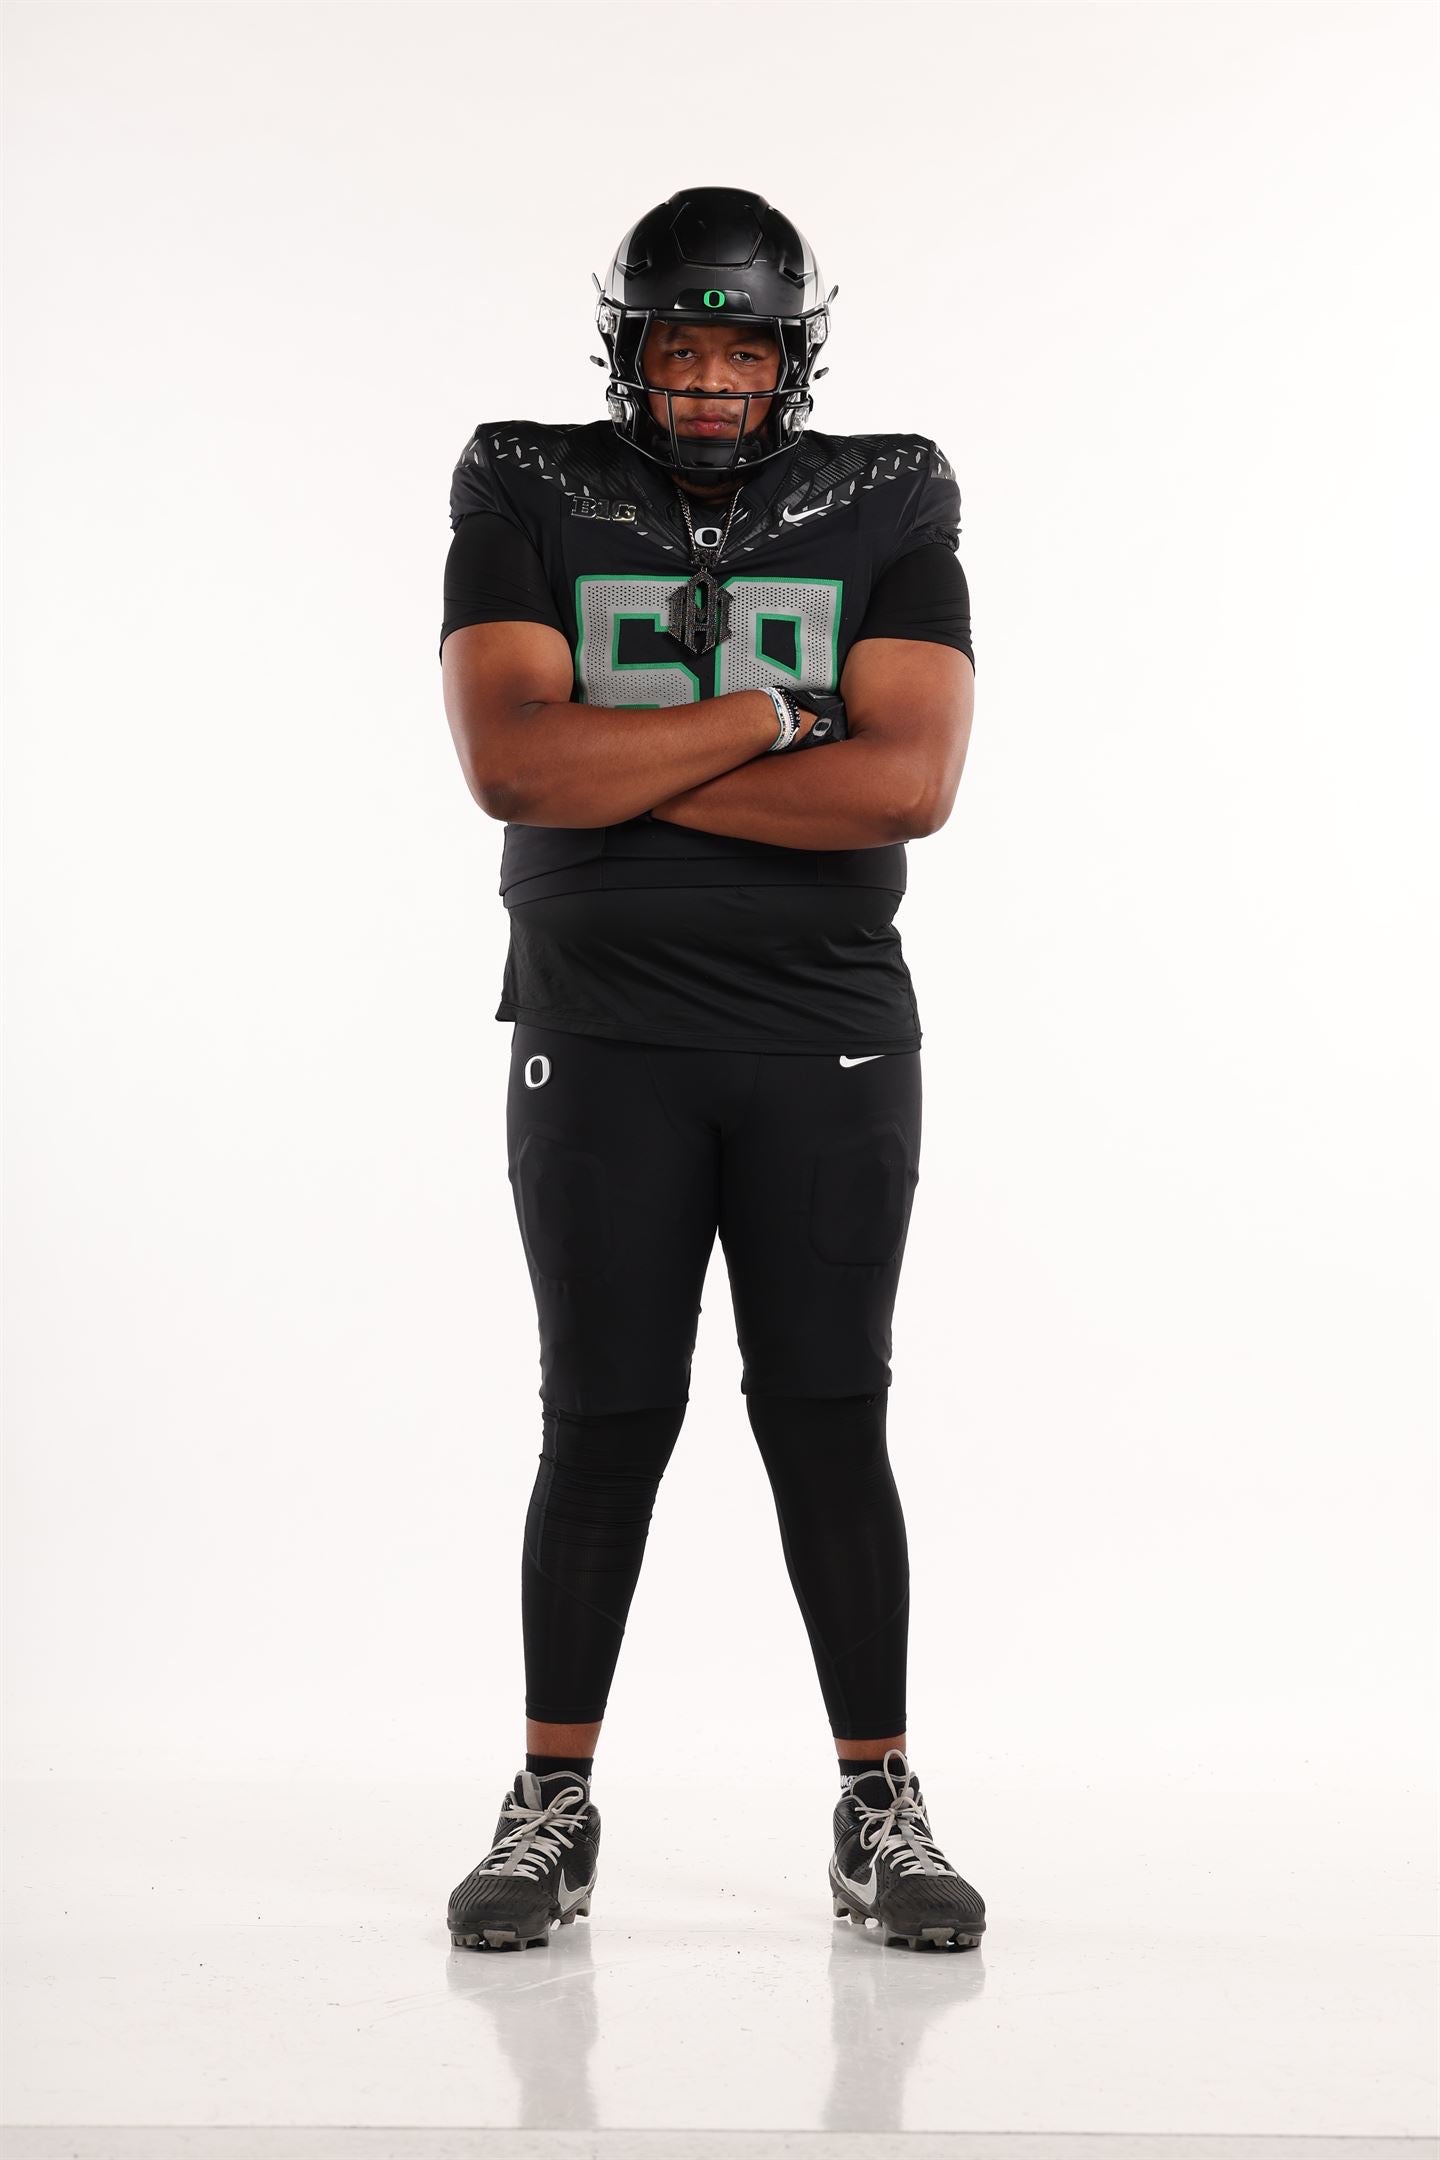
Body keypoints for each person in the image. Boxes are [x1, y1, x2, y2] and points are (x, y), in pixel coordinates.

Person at [438, 187, 984, 1954]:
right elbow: (513, 769)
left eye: (744, 353)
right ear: (632, 346)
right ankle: (551, 1804)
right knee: (603, 1416)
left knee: (827, 1411)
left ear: (791, 358)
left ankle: (879, 1805)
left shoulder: (889, 487)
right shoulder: (524, 476)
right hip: (599, 1028)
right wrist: (766, 716)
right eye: (684, 346)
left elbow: (907, 787)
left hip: (828, 1027)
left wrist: (624, 762)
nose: (712, 383)